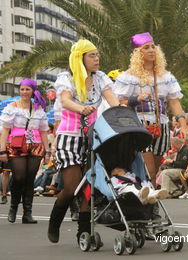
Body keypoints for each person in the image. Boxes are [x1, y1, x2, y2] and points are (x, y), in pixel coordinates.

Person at [47, 39, 121, 243]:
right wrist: (81, 109)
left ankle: (84, 231)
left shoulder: (101, 78)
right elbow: (65, 101)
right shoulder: (66, 78)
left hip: (92, 138)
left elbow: (111, 99)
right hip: (69, 137)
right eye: (92, 55)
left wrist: (122, 113)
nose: (97, 59)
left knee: (90, 185)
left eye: (97, 55)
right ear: (80, 58)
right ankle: (54, 222)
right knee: (71, 187)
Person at [114, 32, 188, 188]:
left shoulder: (166, 76)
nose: (151, 50)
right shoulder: (128, 77)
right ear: (137, 53)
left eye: (153, 47)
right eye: (146, 47)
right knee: (148, 171)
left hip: (161, 127)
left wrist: (183, 125)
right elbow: (117, 101)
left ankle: (151, 207)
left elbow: (174, 103)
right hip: (139, 126)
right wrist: (136, 99)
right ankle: (144, 205)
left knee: (154, 173)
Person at [0, 78, 50, 224]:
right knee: (19, 177)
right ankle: (13, 208)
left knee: (30, 180)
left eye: (27, 89)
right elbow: (5, 130)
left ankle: (27, 213)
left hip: (36, 146)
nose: (24, 92)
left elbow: (44, 132)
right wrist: (2, 150)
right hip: (17, 145)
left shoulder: (38, 108)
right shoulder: (12, 107)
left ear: (33, 91)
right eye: (22, 89)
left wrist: (47, 152)